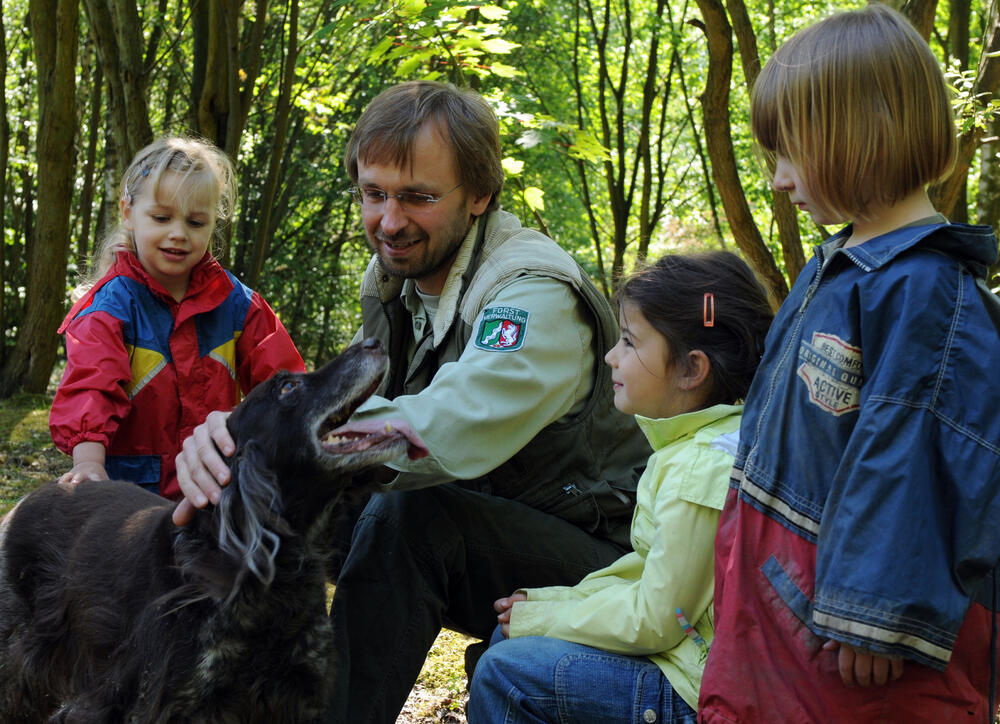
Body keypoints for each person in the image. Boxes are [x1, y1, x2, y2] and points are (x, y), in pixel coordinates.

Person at [171, 81, 652, 723]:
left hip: (609, 566)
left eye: (418, 197)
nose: (390, 222)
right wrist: (229, 450)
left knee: (414, 522)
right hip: (498, 522)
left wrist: (273, 443)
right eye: (374, 195)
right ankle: (215, 695)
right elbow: (343, 409)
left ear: (480, 195)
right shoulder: (396, 277)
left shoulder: (534, 292)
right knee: (266, 503)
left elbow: (448, 424)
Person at [698, 5, 1000, 722]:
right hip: (778, 610)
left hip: (855, 651)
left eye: (788, 151)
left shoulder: (926, 290)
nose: (776, 179)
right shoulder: (840, 267)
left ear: (855, 136)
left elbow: (914, 452)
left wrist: (876, 608)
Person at [466, 252, 773, 723]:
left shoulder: (700, 469)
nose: (612, 355)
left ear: (691, 370)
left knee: (505, 673)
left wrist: (545, 620)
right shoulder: (692, 446)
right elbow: (646, 575)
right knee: (508, 639)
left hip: (692, 692)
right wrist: (552, 604)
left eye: (630, 342)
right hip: (680, 663)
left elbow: (660, 620)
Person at [50, 136, 304, 500]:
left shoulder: (238, 305)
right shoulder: (109, 307)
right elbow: (91, 385)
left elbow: (284, 381)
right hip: (129, 498)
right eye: (162, 218)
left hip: (215, 489)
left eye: (196, 222)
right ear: (128, 213)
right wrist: (89, 460)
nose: (178, 234)